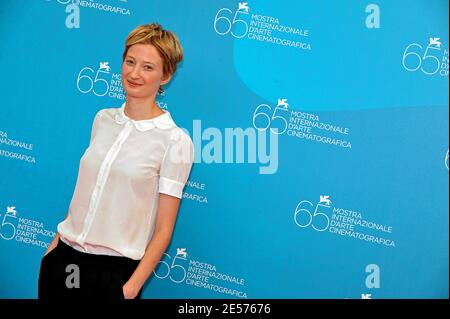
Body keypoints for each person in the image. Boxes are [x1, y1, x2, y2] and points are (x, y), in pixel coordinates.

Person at [38, 23, 194, 300]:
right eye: (130, 62)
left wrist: (130, 288)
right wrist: (52, 252)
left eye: (148, 67)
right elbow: (86, 195)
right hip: (63, 260)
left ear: (166, 75)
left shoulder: (175, 141)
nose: (134, 73)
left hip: (113, 274)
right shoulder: (103, 119)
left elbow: (164, 230)